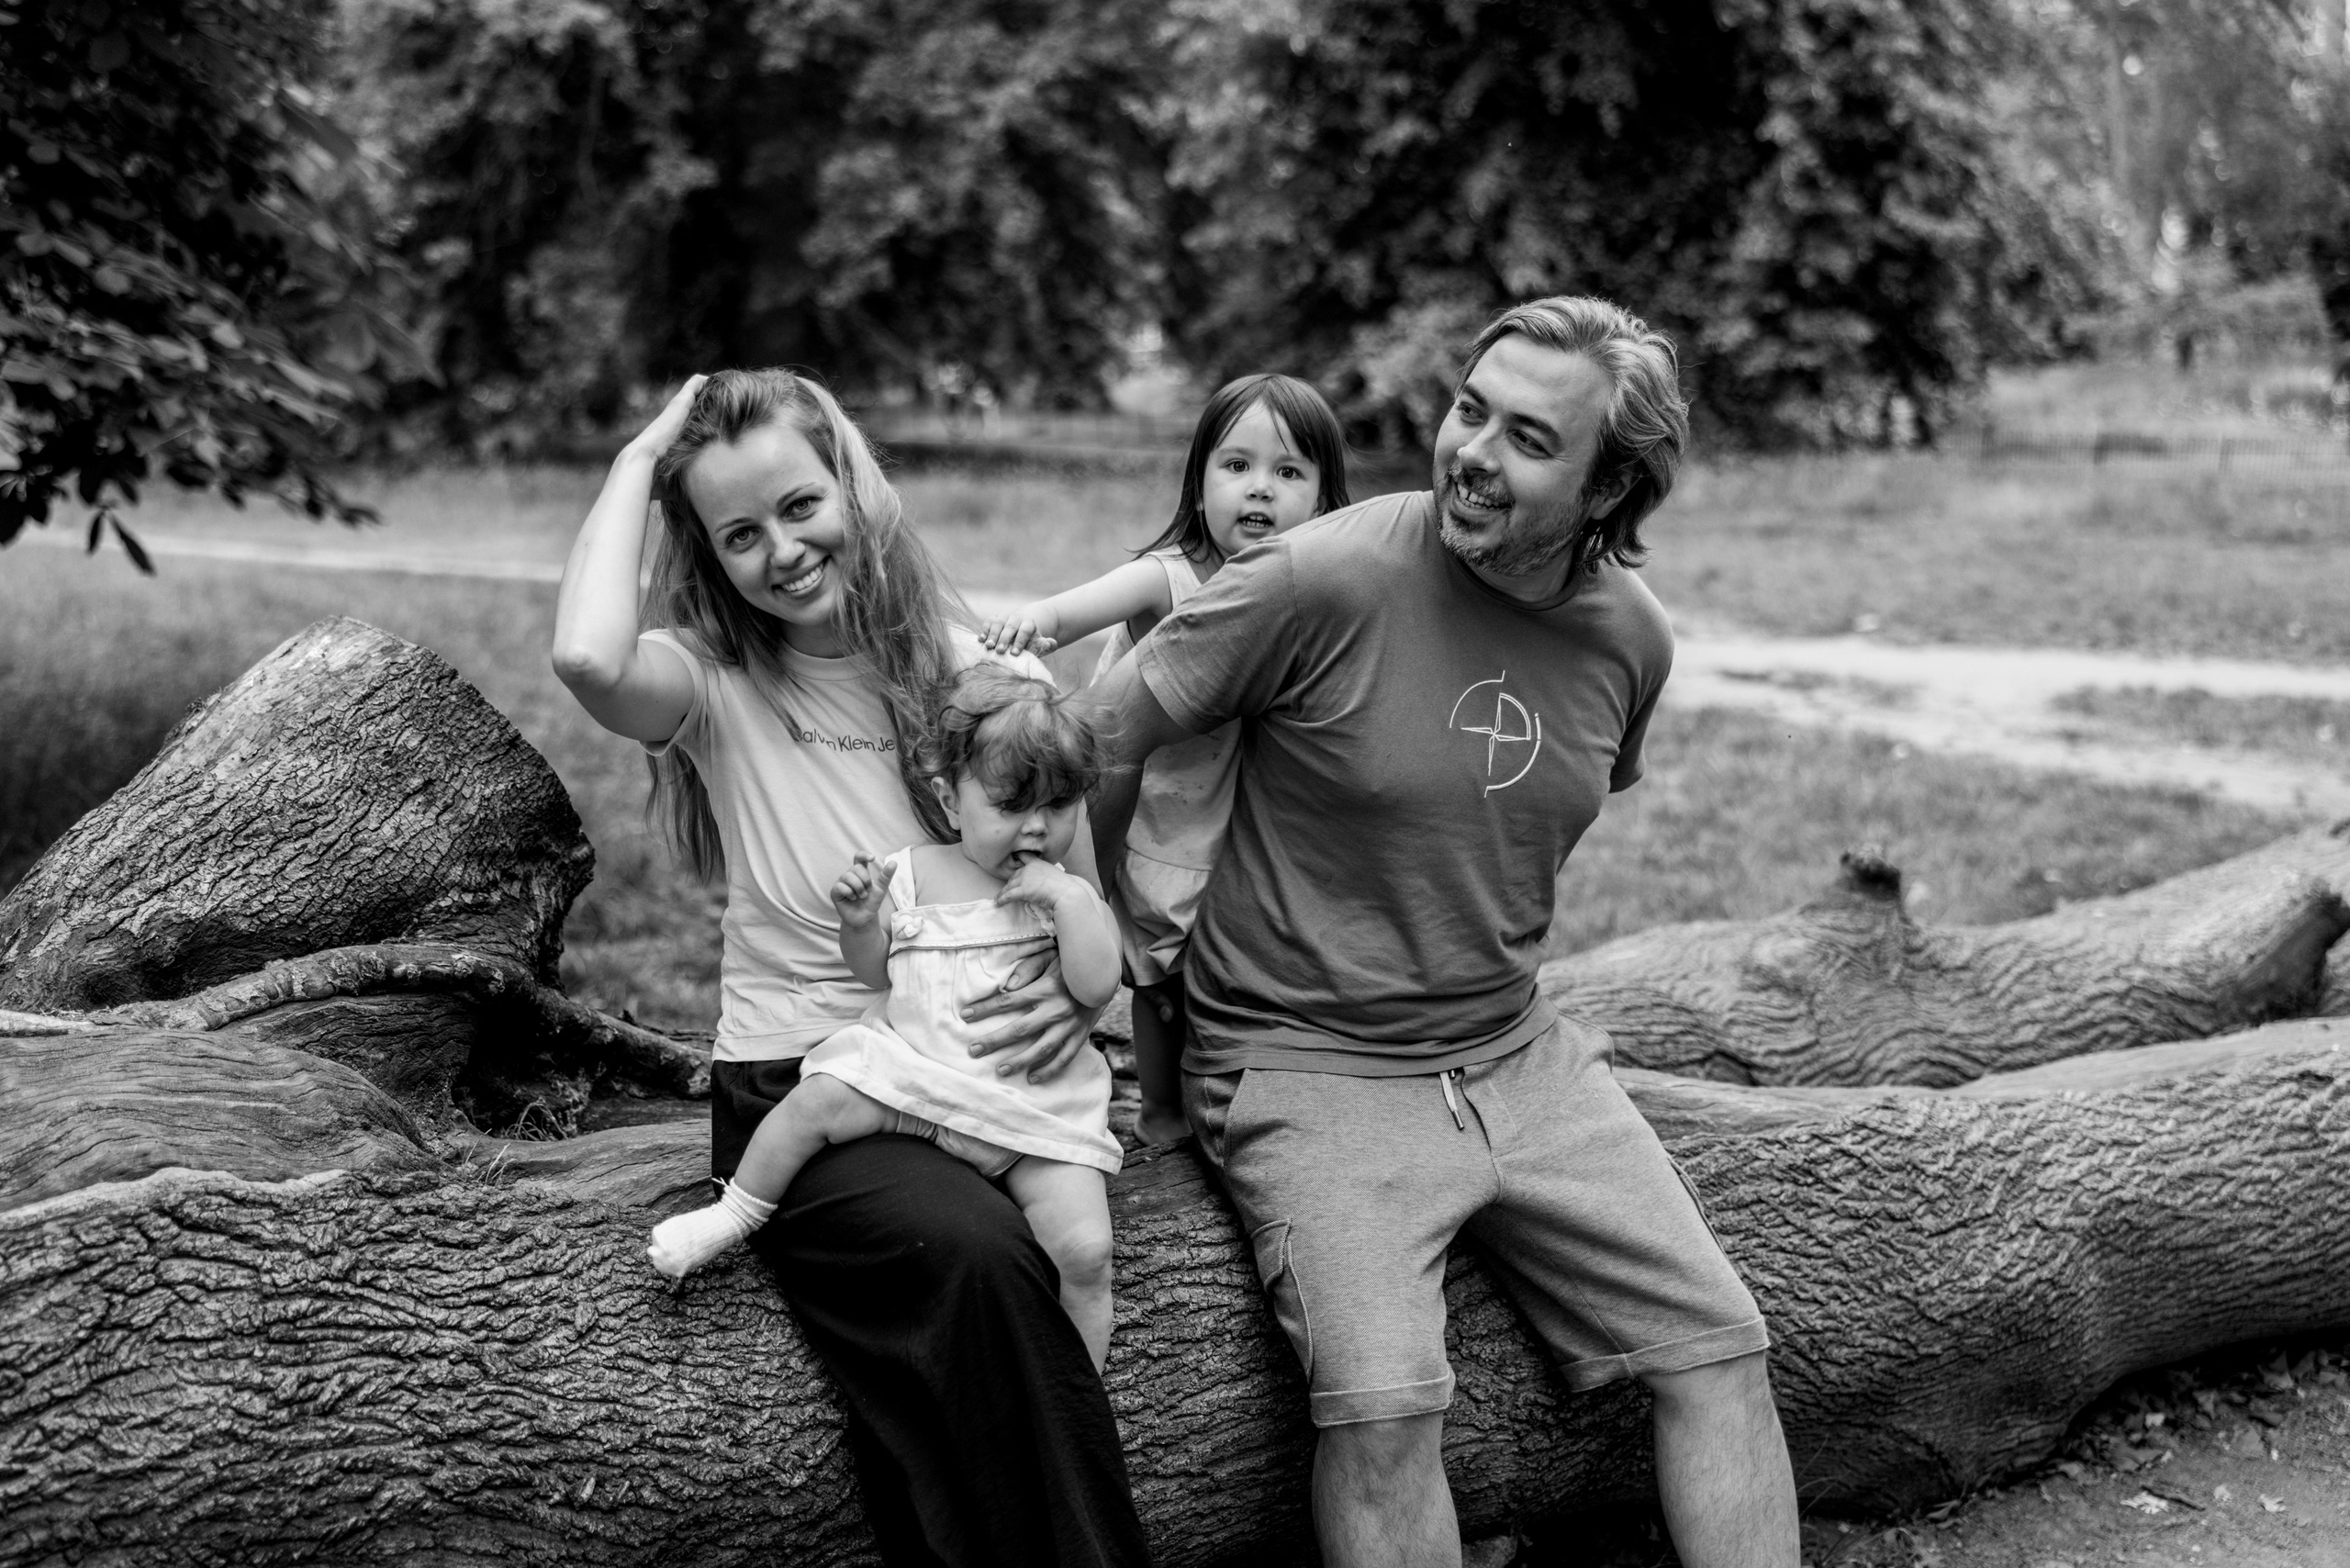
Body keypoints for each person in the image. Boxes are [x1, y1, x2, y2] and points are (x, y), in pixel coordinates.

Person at [1083, 297, 1801, 1568]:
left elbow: (1514, 816)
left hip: (1519, 1050)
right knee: (1384, 1415)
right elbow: (1095, 737)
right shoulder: (1314, 575)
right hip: (1301, 1060)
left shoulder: (1631, 639)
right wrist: (1114, 916)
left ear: (1607, 487)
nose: (1471, 451)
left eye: (1529, 438)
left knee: (1720, 1349)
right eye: (1471, 410)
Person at [551, 367, 1149, 1567]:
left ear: (854, 489)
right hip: (808, 1087)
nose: (781, 550)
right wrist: (639, 460)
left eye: (799, 505)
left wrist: (1074, 1015)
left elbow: (1076, 901)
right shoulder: (711, 683)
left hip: (983, 1081)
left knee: (1014, 1263)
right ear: (708, 553)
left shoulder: (986, 681)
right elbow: (583, 657)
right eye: (739, 533)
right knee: (972, 1255)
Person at [645, 666, 1127, 1368]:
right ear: (951, 800)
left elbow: (1096, 983)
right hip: (913, 1081)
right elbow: (873, 973)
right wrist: (859, 921)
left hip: (1032, 1110)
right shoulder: (915, 873)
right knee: (817, 1100)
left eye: (1058, 806)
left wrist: (1074, 900)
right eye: (1011, 805)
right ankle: (736, 1213)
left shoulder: (1068, 894)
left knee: (1085, 1252)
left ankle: (1078, 1386)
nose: (1035, 827)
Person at [981, 374, 1350, 1146]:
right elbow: (1080, 607)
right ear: (1200, 483)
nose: (1259, 488)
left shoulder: (1312, 589)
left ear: (1323, 500)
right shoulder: (1171, 576)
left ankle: (1227, 1096)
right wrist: (1036, 621)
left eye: (1288, 471)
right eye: (1237, 465)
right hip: (1151, 823)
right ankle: (1154, 1111)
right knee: (1155, 983)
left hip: (1237, 824)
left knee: (1217, 977)